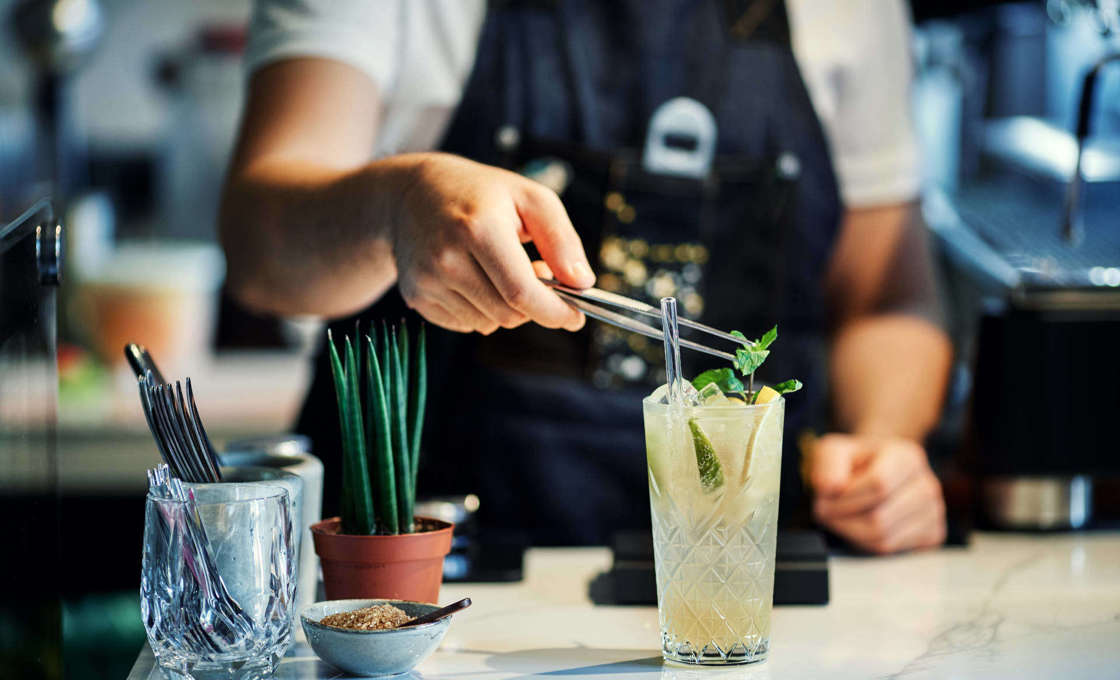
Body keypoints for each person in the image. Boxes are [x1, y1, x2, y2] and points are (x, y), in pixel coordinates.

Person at [220, 0, 953, 554]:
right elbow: (260, 249)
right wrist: (394, 207)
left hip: (748, 579)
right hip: (422, 578)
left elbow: (887, 297)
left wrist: (883, 446)